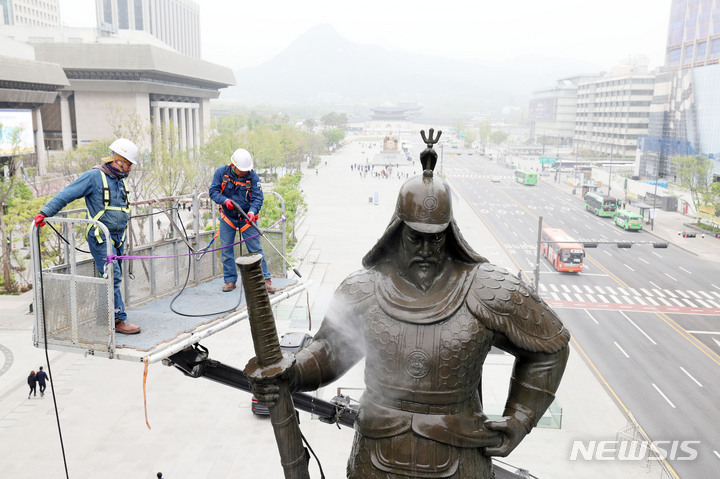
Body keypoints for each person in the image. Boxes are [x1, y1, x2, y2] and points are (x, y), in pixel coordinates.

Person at [249, 139, 570, 478]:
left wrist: (520, 417)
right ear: (397, 229)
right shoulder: (364, 288)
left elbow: (551, 348)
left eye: (437, 238)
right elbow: (330, 351)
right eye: (416, 237)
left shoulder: (488, 288)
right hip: (375, 453)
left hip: (461, 455)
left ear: (452, 233)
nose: (427, 249)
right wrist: (292, 372)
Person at [35, 138, 141, 334]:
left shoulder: (119, 181)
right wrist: (46, 212)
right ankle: (118, 319)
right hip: (101, 237)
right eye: (128, 163)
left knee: (110, 276)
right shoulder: (93, 177)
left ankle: (105, 315)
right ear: (116, 159)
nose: (130, 168)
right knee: (113, 275)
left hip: (118, 237)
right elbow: (67, 193)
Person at [209, 148, 276, 294]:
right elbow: (213, 191)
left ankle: (266, 279)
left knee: (256, 250)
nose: (244, 172)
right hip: (228, 217)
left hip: (247, 218)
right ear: (233, 166)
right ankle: (230, 280)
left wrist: (252, 211)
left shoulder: (252, 177)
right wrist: (224, 200)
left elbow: (258, 198)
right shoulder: (221, 173)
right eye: (241, 170)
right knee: (226, 249)